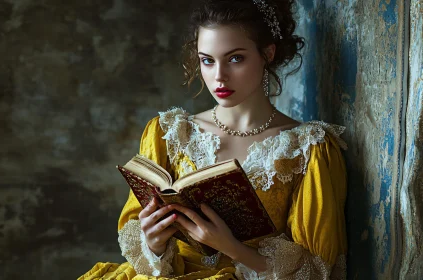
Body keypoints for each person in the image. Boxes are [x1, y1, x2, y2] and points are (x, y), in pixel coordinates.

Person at [78, 0, 347, 279]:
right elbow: (141, 241)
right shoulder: (169, 133)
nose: (219, 76)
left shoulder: (309, 148)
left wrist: (231, 247)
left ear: (267, 53)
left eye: (235, 58)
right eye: (207, 60)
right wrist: (154, 244)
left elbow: (318, 271)